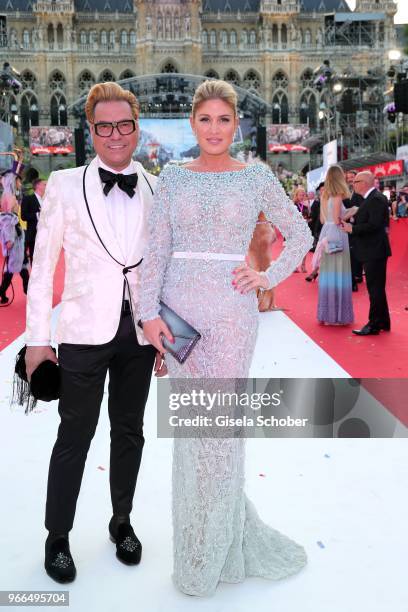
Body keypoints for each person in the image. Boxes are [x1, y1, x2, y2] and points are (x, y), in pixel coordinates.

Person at [139, 80, 312, 597]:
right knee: (196, 429)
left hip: (234, 318)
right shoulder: (171, 177)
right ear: (192, 123)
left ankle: (220, 545)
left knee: (222, 430)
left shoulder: (256, 176)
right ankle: (199, 540)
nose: (214, 129)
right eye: (205, 119)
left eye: (224, 120)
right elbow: (155, 251)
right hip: (180, 317)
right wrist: (147, 316)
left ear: (236, 125)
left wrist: (267, 277)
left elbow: (300, 234)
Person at [24, 82, 166, 584]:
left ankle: (121, 521)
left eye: (124, 125)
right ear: (91, 130)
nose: (115, 135)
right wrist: (38, 341)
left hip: (138, 335)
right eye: (104, 126)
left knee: (130, 432)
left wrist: (162, 330)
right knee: (74, 436)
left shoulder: (155, 186)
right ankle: (57, 535)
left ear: (136, 127)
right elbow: (41, 271)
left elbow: (161, 268)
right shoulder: (63, 185)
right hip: (83, 332)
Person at [341, 171, 391, 335]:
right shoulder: (370, 199)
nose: (352, 184)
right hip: (372, 249)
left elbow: (374, 225)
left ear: (364, 182)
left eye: (355, 181)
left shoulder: (375, 199)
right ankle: (383, 321)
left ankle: (374, 324)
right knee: (377, 288)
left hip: (374, 250)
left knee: (375, 289)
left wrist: (352, 228)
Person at [312, 165, 355, 326]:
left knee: (329, 273)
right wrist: (352, 211)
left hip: (327, 232)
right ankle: (336, 316)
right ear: (339, 178)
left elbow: (326, 219)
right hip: (337, 233)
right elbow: (338, 219)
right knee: (338, 273)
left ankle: (328, 313)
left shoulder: (327, 196)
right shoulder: (336, 196)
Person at [0, 171, 29, 304]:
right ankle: (3, 293)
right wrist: (9, 240)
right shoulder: (8, 196)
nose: (20, 183)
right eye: (18, 181)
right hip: (13, 240)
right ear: (12, 181)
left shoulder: (10, 194)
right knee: (12, 270)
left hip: (17, 239)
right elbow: (6, 221)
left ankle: (27, 291)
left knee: (20, 268)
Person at [21, 177, 47, 263]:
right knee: (34, 258)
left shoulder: (47, 200)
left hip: (46, 235)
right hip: (33, 234)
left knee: (44, 258)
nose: (46, 186)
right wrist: (37, 214)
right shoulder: (28, 199)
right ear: (38, 186)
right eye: (44, 184)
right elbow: (23, 216)